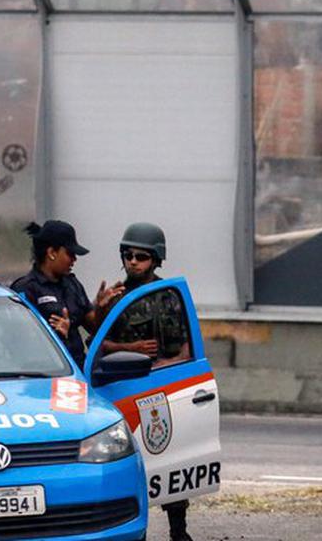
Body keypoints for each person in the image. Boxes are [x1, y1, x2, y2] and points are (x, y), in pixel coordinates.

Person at [101, 222, 194, 541]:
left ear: (156, 259)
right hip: (125, 386)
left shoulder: (169, 296)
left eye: (141, 256)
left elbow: (186, 344)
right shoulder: (116, 298)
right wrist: (131, 349)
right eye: (127, 255)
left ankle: (178, 530)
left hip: (165, 384)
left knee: (171, 459)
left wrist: (172, 364)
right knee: (124, 462)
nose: (133, 262)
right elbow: (99, 345)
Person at [10, 220, 119, 367]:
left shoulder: (72, 284)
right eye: (70, 253)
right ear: (52, 253)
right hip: (47, 374)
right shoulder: (25, 289)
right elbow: (18, 341)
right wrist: (55, 336)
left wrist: (101, 307)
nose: (74, 259)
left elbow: (93, 327)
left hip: (79, 371)